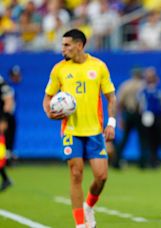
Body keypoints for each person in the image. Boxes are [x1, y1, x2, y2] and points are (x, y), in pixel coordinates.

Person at [42, 29, 116, 228]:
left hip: (94, 131)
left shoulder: (98, 67)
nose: (62, 49)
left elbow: (111, 98)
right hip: (71, 130)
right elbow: (48, 98)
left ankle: (89, 207)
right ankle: (80, 225)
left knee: (101, 177)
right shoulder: (59, 69)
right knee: (76, 173)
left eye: (66, 45)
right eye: (62, 45)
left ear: (80, 45)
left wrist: (111, 123)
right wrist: (49, 112)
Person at [138, 67, 161, 168]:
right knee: (151, 140)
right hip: (148, 117)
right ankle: (153, 161)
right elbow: (141, 104)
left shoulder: (160, 88)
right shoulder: (144, 90)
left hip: (159, 116)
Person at [113, 68, 144, 169]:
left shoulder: (126, 85)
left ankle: (116, 161)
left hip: (128, 113)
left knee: (124, 139)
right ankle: (143, 163)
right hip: (140, 114)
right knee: (142, 139)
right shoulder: (143, 85)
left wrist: (120, 118)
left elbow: (119, 103)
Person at [0, 115, 12, 192]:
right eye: (4, 124)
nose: (5, 126)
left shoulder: (2, 135)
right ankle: (6, 180)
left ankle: (6, 180)